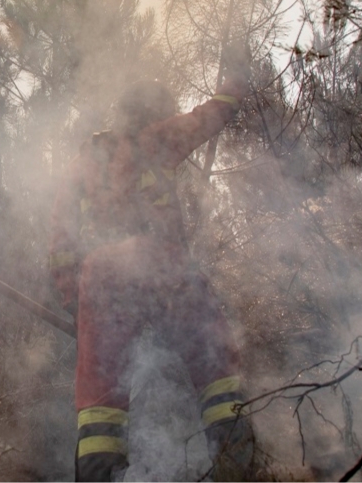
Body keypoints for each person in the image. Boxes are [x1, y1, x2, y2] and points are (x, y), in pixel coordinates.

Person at [49, 47, 255, 481]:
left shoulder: (83, 161)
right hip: (162, 264)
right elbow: (212, 114)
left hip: (101, 278)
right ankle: (238, 462)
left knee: (99, 399)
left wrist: (74, 299)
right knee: (213, 360)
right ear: (152, 112)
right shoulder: (157, 138)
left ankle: (100, 476)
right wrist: (237, 79)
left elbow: (61, 239)